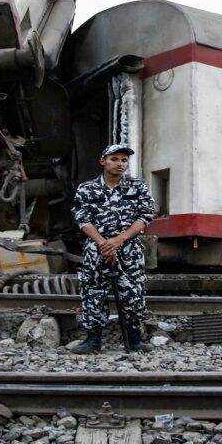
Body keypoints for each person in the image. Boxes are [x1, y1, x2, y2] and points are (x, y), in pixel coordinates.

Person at [70, 144, 155, 354]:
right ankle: (93, 341)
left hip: (128, 249)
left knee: (134, 292)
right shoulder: (87, 189)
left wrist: (118, 240)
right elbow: (82, 219)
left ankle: (135, 340)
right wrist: (102, 243)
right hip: (96, 249)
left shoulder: (137, 187)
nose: (120, 164)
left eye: (124, 160)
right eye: (114, 159)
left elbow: (145, 217)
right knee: (93, 292)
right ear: (103, 161)